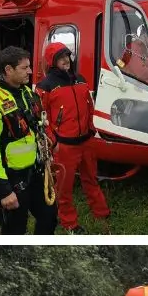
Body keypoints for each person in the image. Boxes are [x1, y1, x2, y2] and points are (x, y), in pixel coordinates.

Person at [0, 45, 58, 235]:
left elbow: (38, 125)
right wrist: (3, 190)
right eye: (24, 68)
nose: (30, 71)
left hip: (36, 172)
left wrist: (49, 144)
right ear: (8, 70)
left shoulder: (27, 93)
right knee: (14, 229)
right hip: (13, 180)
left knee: (49, 217)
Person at [35, 42, 110, 234]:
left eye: (67, 56)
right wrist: (55, 142)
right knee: (64, 188)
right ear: (53, 62)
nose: (66, 60)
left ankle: (101, 212)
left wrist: (92, 129)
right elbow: (42, 119)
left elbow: (89, 106)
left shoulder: (81, 80)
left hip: (86, 141)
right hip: (65, 146)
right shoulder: (45, 87)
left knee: (91, 179)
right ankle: (70, 223)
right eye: (61, 58)